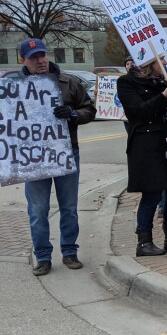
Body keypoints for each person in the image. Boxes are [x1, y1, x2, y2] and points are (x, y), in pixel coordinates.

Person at [19, 38, 96, 276]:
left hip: (65, 151)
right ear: (23, 60)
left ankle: (69, 252)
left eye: (42, 55)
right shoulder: (15, 88)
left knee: (69, 207)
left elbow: (89, 109)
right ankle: (42, 257)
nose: (41, 61)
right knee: (38, 209)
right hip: (34, 156)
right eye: (34, 57)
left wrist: (72, 114)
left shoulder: (68, 83)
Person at [117, 56, 167, 256]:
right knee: (152, 192)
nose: (166, 63)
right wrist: (166, 93)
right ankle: (144, 242)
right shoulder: (126, 82)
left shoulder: (160, 81)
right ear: (148, 62)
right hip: (145, 143)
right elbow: (138, 112)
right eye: (161, 60)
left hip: (166, 138)